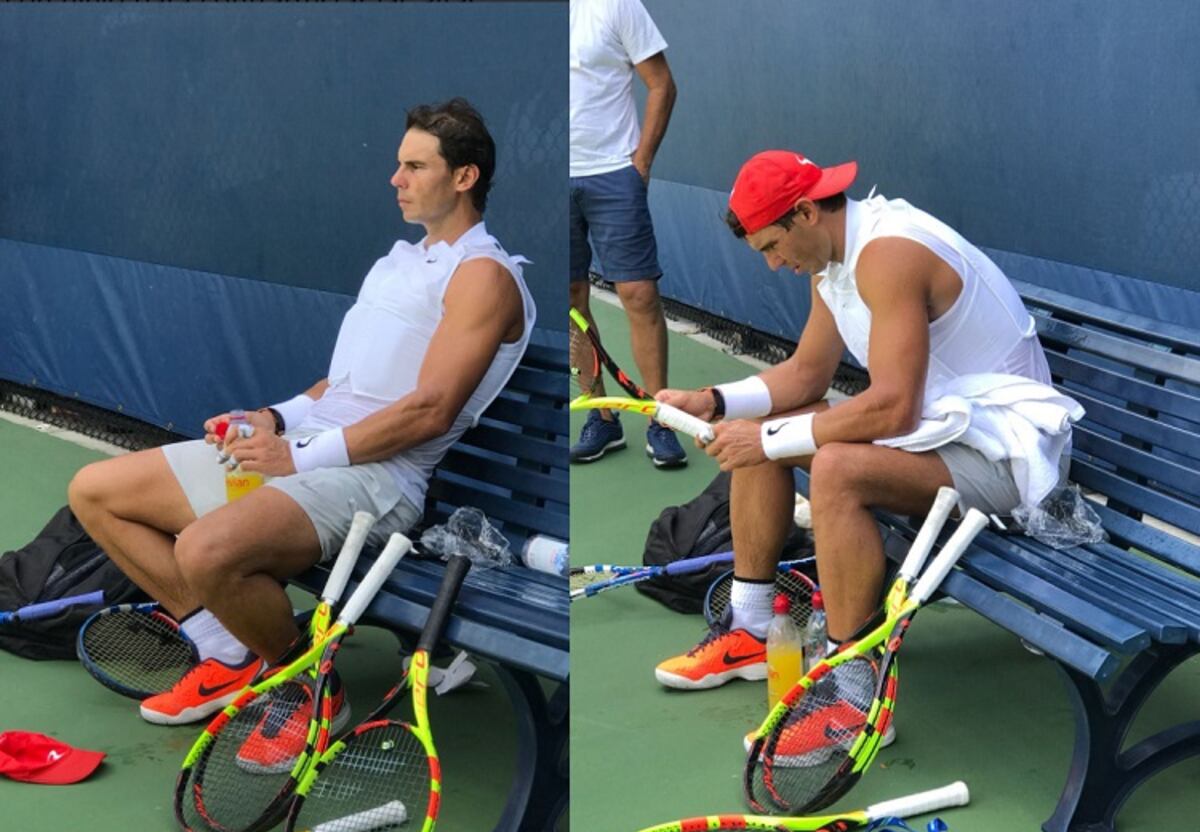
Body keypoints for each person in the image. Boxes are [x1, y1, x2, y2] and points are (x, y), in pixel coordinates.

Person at [67, 98, 536, 758]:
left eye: (414, 166)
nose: (396, 179)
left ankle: (308, 688)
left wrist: (297, 454)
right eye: (399, 165)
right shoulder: (400, 261)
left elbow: (428, 409)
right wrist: (274, 419)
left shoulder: (484, 275)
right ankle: (230, 648)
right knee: (96, 490)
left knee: (203, 549)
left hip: (378, 481)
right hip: (312, 454)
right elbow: (340, 387)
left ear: (464, 177)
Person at [652, 150, 1077, 711]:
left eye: (773, 248)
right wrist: (714, 400)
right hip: (943, 434)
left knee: (834, 468)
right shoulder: (833, 260)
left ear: (805, 212)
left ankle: (852, 693)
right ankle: (752, 632)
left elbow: (894, 408)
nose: (775, 265)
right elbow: (807, 373)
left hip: (1010, 459)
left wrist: (768, 441)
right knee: (766, 430)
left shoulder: (889, 254)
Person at [569, 0, 683, 467]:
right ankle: (602, 417)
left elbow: (662, 85)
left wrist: (641, 165)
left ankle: (663, 418)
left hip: (614, 172)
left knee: (639, 295)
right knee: (571, 301)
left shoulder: (614, 5)